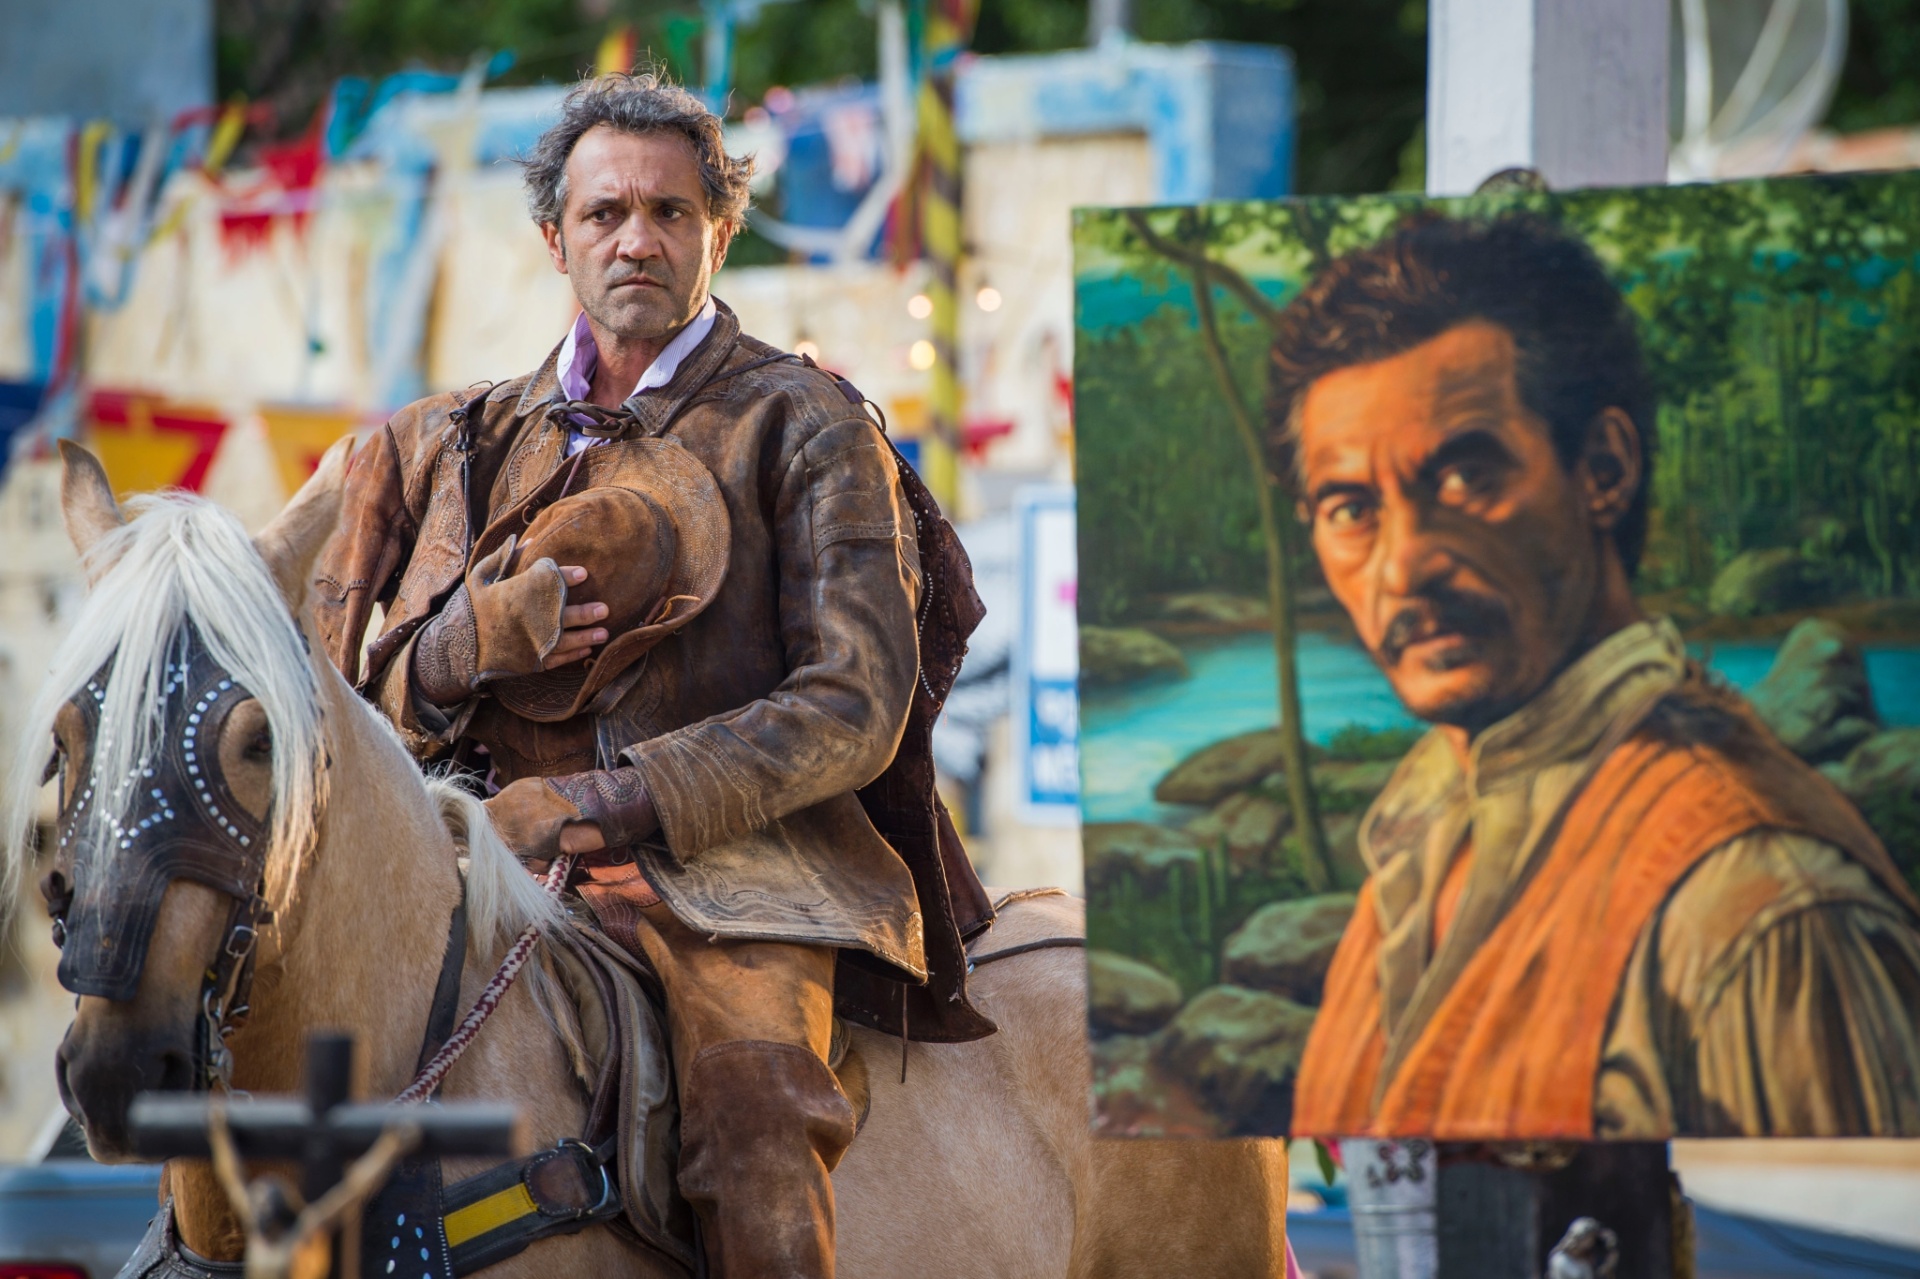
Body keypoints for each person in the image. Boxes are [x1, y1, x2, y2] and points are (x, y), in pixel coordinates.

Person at [312, 72, 996, 1276]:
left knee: (757, 1121)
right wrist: (459, 649)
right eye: (606, 214)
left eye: (672, 214)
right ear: (554, 240)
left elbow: (856, 705)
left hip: (743, 879)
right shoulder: (467, 436)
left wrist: (606, 801)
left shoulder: (809, 421)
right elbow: (356, 717)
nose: (638, 239)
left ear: (718, 232)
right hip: (477, 854)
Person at [1281, 213, 1920, 1139]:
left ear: (1604, 469)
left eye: (1463, 476)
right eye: (1350, 507)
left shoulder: (1763, 905)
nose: (1403, 566)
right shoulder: (1417, 838)